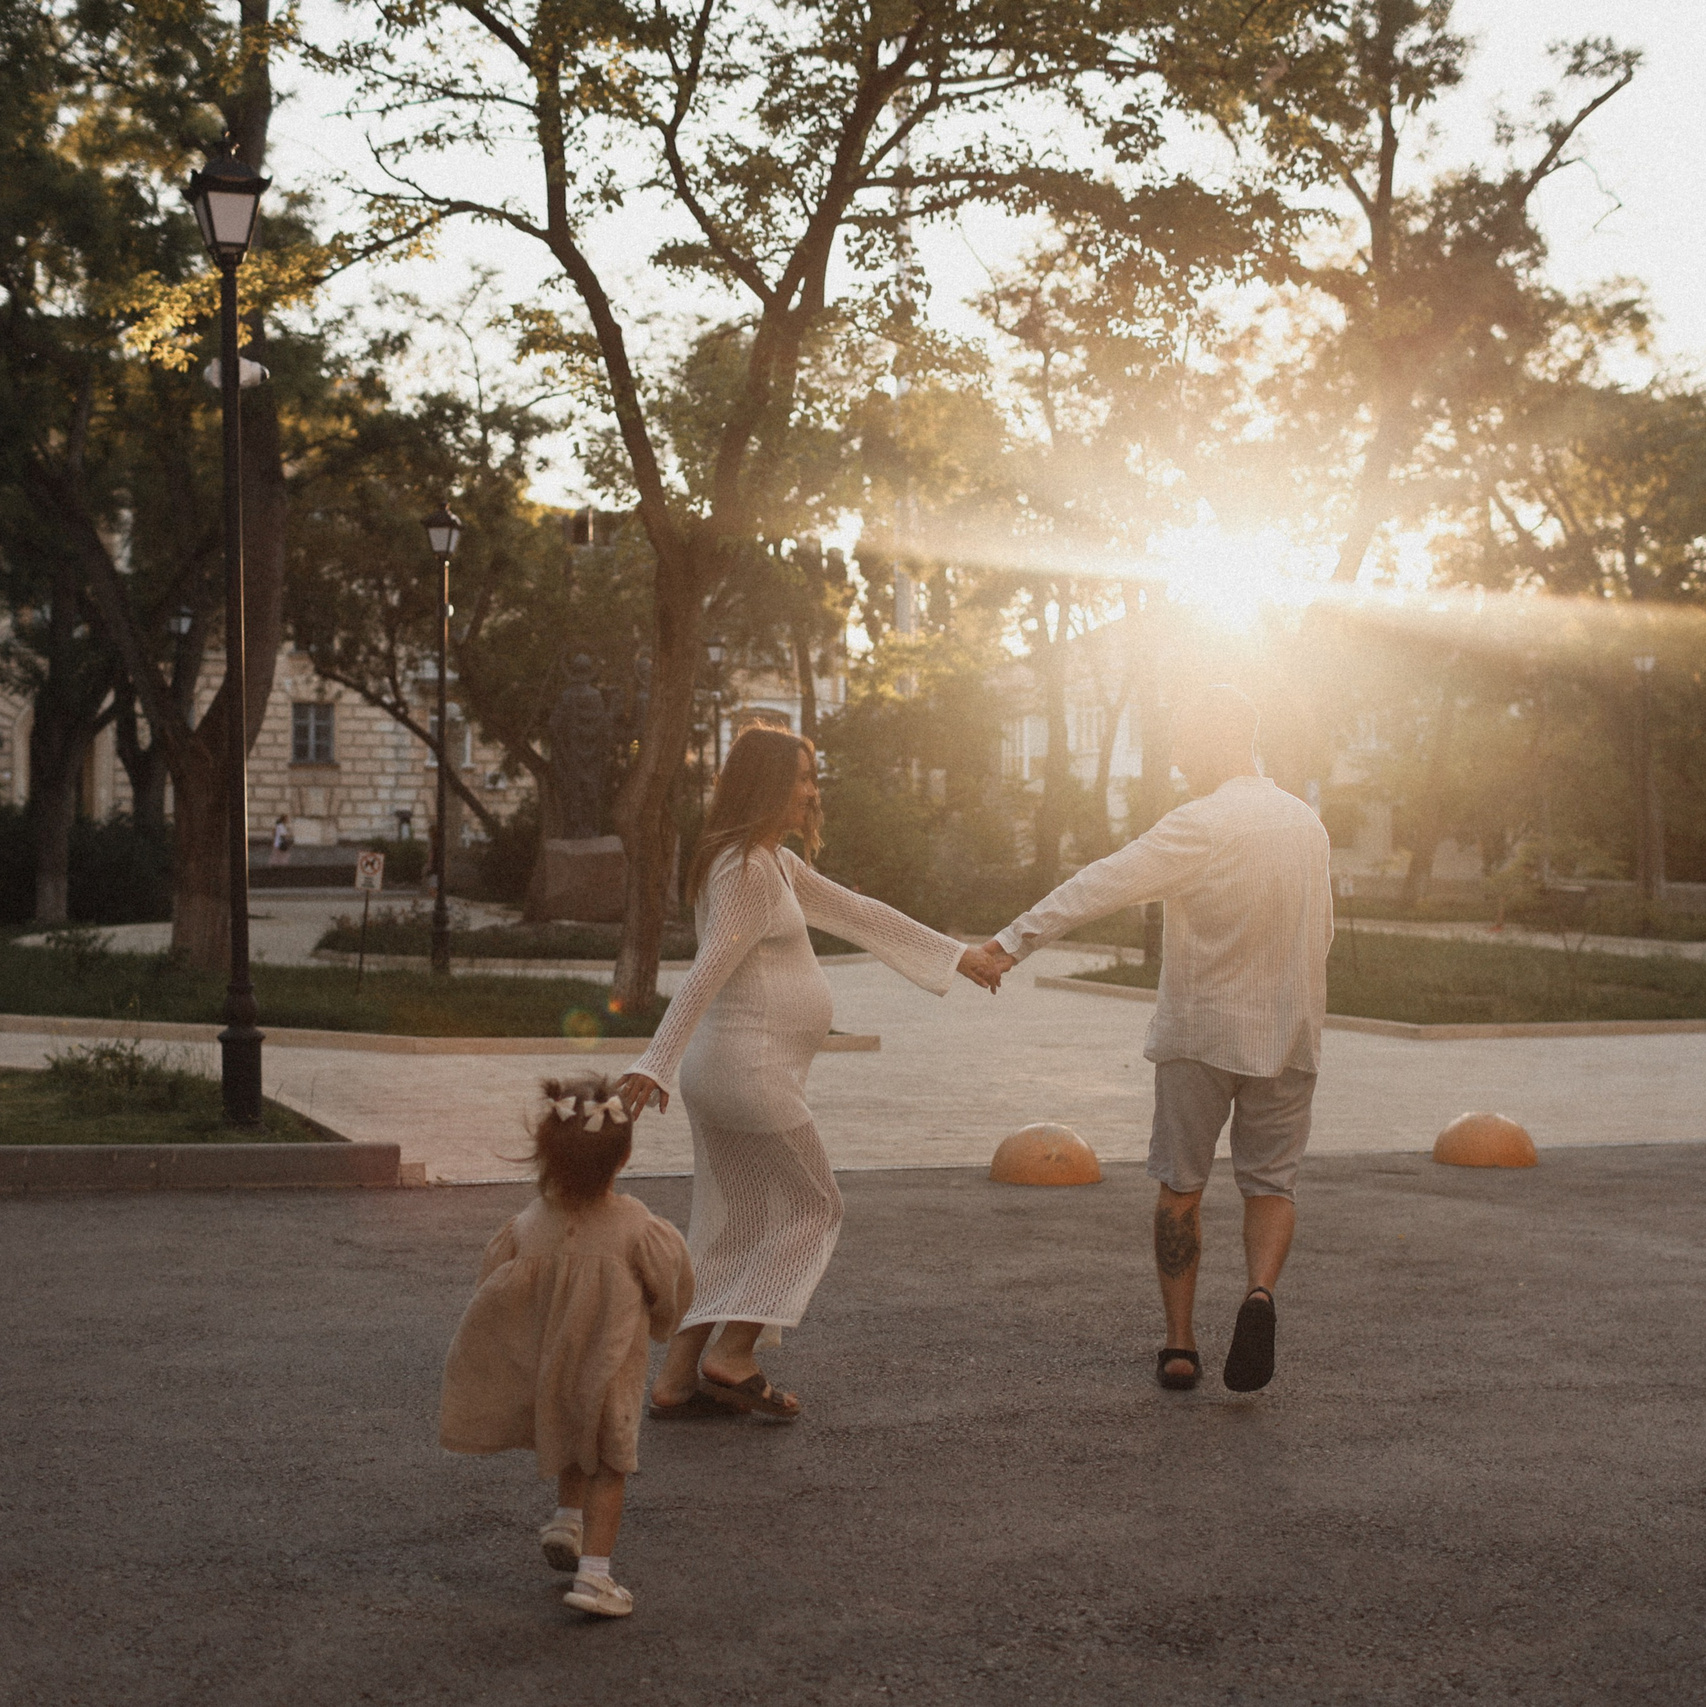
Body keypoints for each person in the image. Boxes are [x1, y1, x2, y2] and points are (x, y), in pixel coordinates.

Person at [619, 726, 1005, 1422]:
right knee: (815, 1205)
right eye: (799, 776)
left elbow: (858, 913)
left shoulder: (771, 862)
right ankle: (732, 1354)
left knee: (732, 1225)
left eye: (811, 775)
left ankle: (678, 1377)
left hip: (734, 1072)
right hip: (748, 1073)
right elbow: (706, 971)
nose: (810, 789)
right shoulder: (747, 869)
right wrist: (654, 1059)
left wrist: (956, 956)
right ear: (764, 783)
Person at [981, 685, 1332, 1394]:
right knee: (1271, 1184)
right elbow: (1320, 933)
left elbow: (1102, 883)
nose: (1174, 759)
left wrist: (1011, 942)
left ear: (1215, 740)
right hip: (1290, 1031)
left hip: (1200, 1033)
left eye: (1180, 744)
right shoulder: (1307, 824)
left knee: (1182, 1185)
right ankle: (1259, 1293)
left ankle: (1180, 1345)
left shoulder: (1200, 823)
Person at [439, 1074, 693, 1619]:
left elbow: (494, 1280)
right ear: (621, 1158)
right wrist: (663, 1322)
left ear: (546, 1157)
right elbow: (670, 1281)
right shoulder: (635, 1226)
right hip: (611, 1366)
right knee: (608, 1460)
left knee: (573, 1431)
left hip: (553, 1362)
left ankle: (566, 1518)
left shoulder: (529, 1224)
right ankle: (596, 1578)